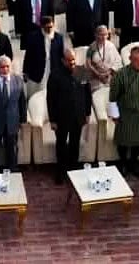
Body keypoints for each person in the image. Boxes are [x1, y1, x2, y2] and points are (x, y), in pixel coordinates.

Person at [108, 47, 139, 178]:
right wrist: (115, 114)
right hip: (125, 114)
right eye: (137, 60)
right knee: (123, 141)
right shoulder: (121, 74)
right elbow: (113, 96)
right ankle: (123, 163)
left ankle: (133, 162)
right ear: (130, 59)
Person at [47, 48, 92, 183]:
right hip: (61, 117)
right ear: (63, 60)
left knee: (74, 143)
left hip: (78, 116)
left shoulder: (82, 72)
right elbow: (50, 99)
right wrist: (52, 120)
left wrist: (87, 113)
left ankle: (73, 170)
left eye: (73, 59)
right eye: (69, 60)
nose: (72, 62)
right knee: (61, 144)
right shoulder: (55, 75)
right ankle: (61, 171)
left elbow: (87, 95)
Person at [85, 25, 122, 90]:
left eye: (105, 34)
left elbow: (118, 61)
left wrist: (108, 72)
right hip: (96, 78)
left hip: (110, 75)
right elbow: (88, 64)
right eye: (101, 35)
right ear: (96, 35)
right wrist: (99, 75)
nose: (104, 37)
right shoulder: (91, 48)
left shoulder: (111, 45)